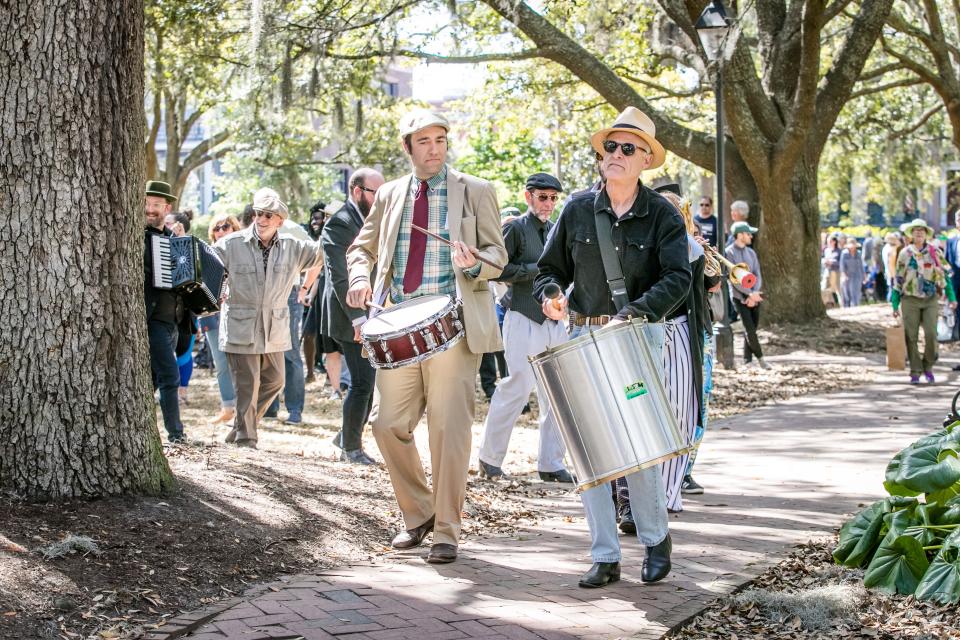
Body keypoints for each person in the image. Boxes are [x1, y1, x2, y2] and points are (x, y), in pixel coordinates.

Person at [534, 106, 691, 588]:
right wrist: (551, 297)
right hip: (582, 334)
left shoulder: (663, 214)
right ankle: (604, 554)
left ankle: (653, 539)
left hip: (636, 337)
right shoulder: (578, 208)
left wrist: (635, 314)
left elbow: (679, 278)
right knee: (590, 452)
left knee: (637, 447)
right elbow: (548, 269)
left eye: (628, 149)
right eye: (610, 148)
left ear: (646, 160)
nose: (616, 155)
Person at [346, 109, 507, 564]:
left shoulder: (476, 191)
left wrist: (474, 262)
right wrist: (359, 277)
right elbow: (363, 247)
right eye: (424, 141)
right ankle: (419, 514)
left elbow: (499, 255)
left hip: (453, 325)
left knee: (447, 429)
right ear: (408, 147)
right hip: (397, 323)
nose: (434, 148)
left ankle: (447, 531)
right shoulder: (392, 194)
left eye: (440, 139)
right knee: (386, 425)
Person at [477, 172, 573, 483]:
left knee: (557, 393)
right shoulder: (515, 228)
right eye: (542, 197)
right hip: (521, 315)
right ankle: (489, 459)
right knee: (516, 386)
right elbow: (496, 270)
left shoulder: (556, 231)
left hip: (554, 321)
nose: (548, 203)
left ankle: (551, 463)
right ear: (528, 196)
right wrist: (535, 271)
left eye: (553, 198)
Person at [213, 188, 323, 448]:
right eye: (259, 214)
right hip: (241, 324)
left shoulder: (293, 247)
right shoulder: (231, 244)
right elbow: (205, 267)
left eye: (268, 216)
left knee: (275, 380)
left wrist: (335, 230)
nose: (261, 220)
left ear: (280, 222)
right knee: (247, 385)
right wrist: (218, 292)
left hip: (274, 327)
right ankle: (246, 440)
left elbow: (322, 253)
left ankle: (240, 428)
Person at [320, 168, 385, 465]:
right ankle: (351, 448)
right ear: (357, 192)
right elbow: (340, 278)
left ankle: (347, 435)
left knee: (367, 382)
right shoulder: (339, 225)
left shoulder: (373, 221)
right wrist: (360, 319)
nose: (380, 199)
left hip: (372, 313)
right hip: (350, 317)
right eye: (376, 193)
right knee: (361, 383)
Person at [144, 180, 187, 442]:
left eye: (156, 205)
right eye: (147, 204)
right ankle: (176, 434)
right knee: (170, 376)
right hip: (153, 320)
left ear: (166, 207)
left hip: (174, 321)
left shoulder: (175, 240)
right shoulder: (138, 236)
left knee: (150, 379)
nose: (150, 209)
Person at [892, 219, 957, 384]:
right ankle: (915, 371)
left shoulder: (935, 252)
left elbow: (946, 277)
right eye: (915, 230)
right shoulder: (905, 253)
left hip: (930, 299)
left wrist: (952, 298)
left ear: (926, 233)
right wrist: (894, 304)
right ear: (911, 234)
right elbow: (898, 279)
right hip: (909, 300)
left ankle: (928, 367)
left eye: (922, 230)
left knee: (931, 335)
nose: (919, 233)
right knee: (910, 337)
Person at [201, 214, 241, 424]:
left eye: (226, 227)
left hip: (237, 316)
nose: (221, 231)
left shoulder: (243, 253)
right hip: (211, 315)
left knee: (239, 362)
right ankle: (228, 407)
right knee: (221, 362)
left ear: (235, 229)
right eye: (217, 228)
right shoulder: (207, 254)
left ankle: (243, 411)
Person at [725, 221, 768, 368]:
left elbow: (757, 274)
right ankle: (761, 359)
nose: (751, 236)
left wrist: (755, 293)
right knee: (749, 329)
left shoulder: (751, 253)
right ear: (740, 235)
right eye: (748, 233)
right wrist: (748, 294)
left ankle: (747, 360)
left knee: (751, 329)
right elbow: (734, 279)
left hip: (755, 296)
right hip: (739, 297)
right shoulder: (729, 253)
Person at [944, 216, 960, 340]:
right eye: (958, 219)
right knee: (955, 304)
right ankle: (956, 332)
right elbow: (946, 261)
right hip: (955, 278)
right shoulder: (951, 241)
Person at [839, 238, 865, 307]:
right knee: (847, 294)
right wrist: (843, 275)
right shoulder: (844, 253)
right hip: (847, 275)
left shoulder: (858, 253)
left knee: (855, 292)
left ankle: (855, 307)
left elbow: (861, 265)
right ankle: (846, 308)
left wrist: (864, 276)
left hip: (857, 275)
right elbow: (842, 265)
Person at [821, 235, 842, 303]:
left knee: (837, 289)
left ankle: (842, 304)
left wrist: (832, 263)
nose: (829, 243)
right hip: (827, 271)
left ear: (834, 242)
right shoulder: (826, 250)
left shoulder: (839, 251)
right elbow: (823, 259)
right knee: (824, 288)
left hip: (836, 272)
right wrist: (825, 261)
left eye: (830, 241)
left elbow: (840, 263)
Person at [882, 232, 900, 301]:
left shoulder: (885, 248)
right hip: (891, 270)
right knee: (893, 288)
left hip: (888, 270)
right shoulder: (890, 249)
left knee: (891, 287)